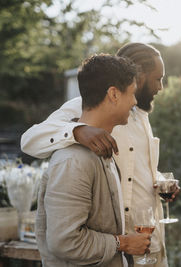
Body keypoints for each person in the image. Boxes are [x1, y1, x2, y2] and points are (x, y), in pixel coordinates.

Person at [21, 43, 178, 266]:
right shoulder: (86, 106)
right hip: (112, 248)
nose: (160, 87)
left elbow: (138, 168)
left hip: (147, 241)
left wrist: (161, 181)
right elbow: (29, 140)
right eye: (157, 78)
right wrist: (76, 130)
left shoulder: (141, 116)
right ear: (139, 77)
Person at [36, 54, 151, 266]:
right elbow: (65, 242)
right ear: (114, 94)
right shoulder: (72, 161)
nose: (135, 102)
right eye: (132, 93)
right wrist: (123, 243)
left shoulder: (99, 148)